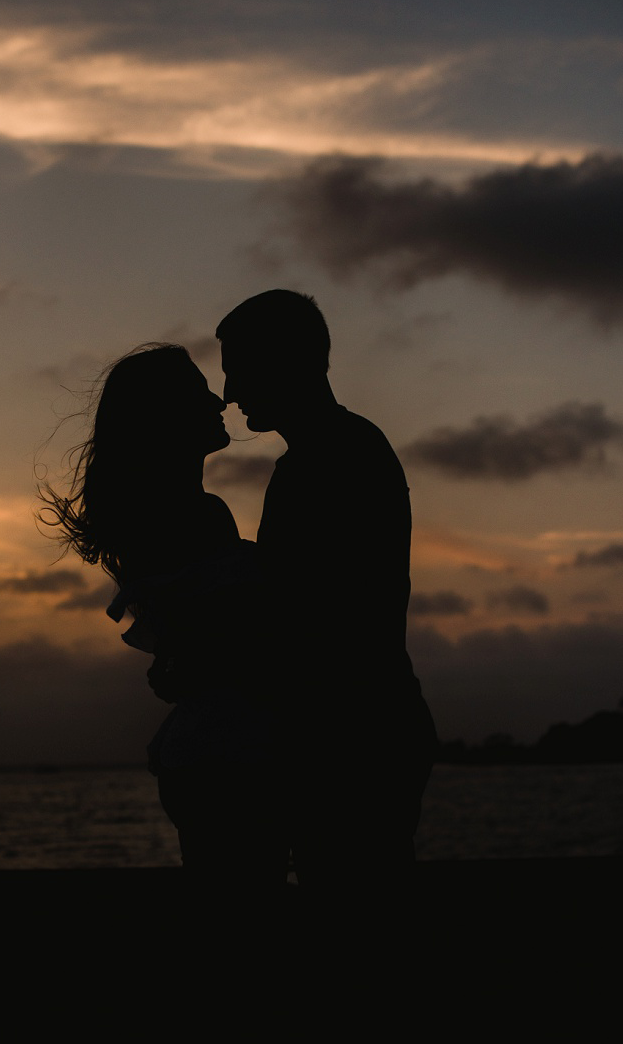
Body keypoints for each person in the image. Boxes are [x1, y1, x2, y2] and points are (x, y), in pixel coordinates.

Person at [40, 343, 289, 893]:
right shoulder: (194, 518)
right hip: (228, 758)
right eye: (199, 392)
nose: (218, 400)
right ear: (168, 415)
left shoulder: (164, 518)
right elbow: (240, 642)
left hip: (211, 752)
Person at [215, 290, 437, 893]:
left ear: (282, 361)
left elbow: (308, 614)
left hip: (353, 739)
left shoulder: (329, 461)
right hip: (363, 728)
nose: (230, 392)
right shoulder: (337, 452)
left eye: (237, 368)